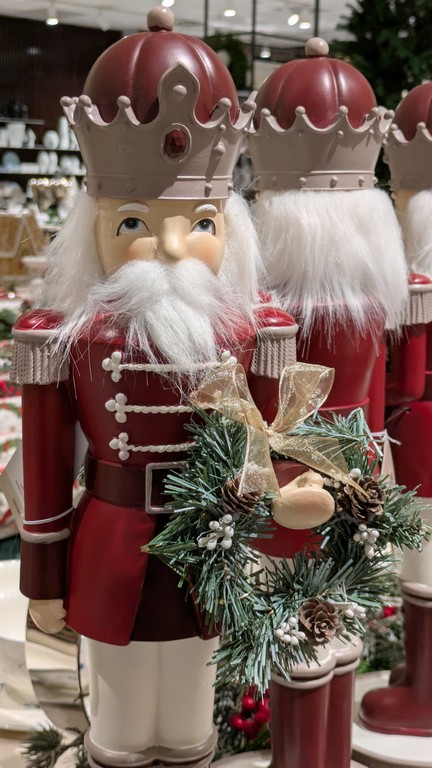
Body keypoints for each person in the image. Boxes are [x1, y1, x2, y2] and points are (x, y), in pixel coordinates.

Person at [11, 8, 333, 768]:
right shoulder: (63, 338)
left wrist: (290, 505)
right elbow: (47, 465)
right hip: (111, 539)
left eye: (201, 224)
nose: (170, 245)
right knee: (121, 727)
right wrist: (43, 578)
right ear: (91, 229)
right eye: (133, 224)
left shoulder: (258, 331)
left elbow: (272, 435)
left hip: (211, 546)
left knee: (188, 720)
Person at [247, 37, 408, 768]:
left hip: (328, 483)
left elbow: (364, 402)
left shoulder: (280, 303)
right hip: (315, 484)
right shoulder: (354, 300)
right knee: (315, 634)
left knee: (323, 633)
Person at [359, 81, 432, 737]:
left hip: (424, 445)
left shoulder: (418, 288)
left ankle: (425, 694)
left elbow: (405, 384)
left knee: (425, 571)